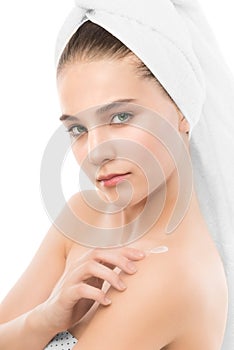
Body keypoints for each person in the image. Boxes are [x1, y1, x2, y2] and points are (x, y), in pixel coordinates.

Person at [0, 0, 233, 349]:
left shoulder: (169, 276)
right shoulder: (84, 214)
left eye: (121, 117)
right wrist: (44, 318)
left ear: (183, 109)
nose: (95, 152)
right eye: (78, 129)